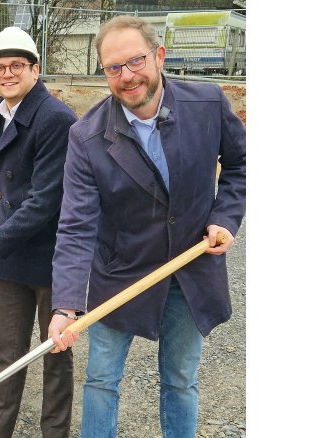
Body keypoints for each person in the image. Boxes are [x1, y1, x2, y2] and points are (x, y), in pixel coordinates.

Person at [47, 16, 246, 438]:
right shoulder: (87, 137)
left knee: (180, 380)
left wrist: (224, 218)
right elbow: (77, 224)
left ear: (158, 56)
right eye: (113, 68)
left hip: (191, 270)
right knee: (101, 381)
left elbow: (240, 166)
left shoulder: (207, 105)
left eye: (134, 61)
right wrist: (66, 305)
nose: (126, 76)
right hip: (120, 273)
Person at [0, 27, 79, 438]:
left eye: (16, 66)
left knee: (54, 352)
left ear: (35, 70)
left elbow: (45, 200)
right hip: (11, 254)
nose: (7, 74)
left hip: (51, 256)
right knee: (8, 352)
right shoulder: (1, 117)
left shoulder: (55, 118)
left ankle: (54, 432)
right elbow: (11, 185)